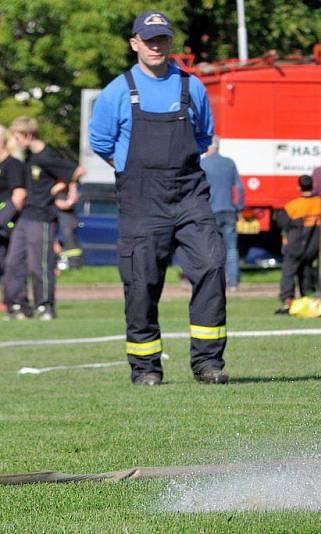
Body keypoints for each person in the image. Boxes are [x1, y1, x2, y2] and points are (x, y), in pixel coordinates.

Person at [89, 11, 228, 386]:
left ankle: (208, 363)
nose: (156, 46)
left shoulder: (191, 86)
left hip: (188, 194)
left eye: (162, 39)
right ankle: (146, 366)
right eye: (149, 40)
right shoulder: (118, 90)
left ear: (170, 42)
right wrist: (131, 168)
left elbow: (204, 136)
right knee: (142, 281)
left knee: (212, 265)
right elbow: (100, 142)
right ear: (135, 43)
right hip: (141, 199)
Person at [4, 116, 84, 320]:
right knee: (14, 262)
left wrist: (59, 189)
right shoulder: (29, 157)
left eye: (17, 137)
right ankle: (19, 306)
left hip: (42, 216)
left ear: (28, 135)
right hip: (25, 217)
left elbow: (77, 171)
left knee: (39, 264)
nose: (16, 141)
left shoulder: (47, 155)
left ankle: (45, 305)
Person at [201, 135, 244, 290]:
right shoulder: (229, 163)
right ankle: (233, 282)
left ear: (209, 147)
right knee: (231, 248)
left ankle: (213, 281)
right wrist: (239, 206)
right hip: (229, 210)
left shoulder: (203, 164)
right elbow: (239, 187)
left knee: (210, 248)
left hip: (210, 211)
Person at [277, 174, 321, 312]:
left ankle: (287, 299)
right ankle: (306, 295)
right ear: (312, 186)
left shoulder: (292, 206)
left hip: (294, 246)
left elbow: (281, 223)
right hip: (312, 247)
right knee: (306, 270)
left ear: (299, 187)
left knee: (288, 272)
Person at [0, 125, 28, 316]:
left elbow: (19, 195)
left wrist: (3, 219)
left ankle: (16, 303)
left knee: (12, 264)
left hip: (9, 221)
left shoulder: (13, 164)